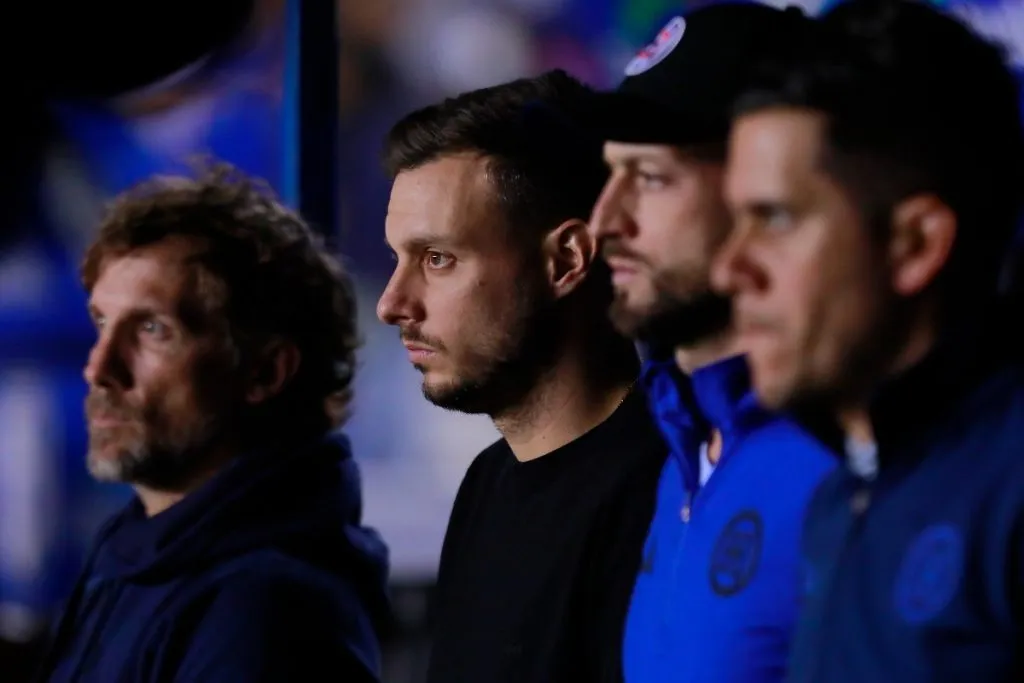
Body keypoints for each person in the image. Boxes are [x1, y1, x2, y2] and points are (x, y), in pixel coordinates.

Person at [711, 1, 1024, 681]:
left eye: (775, 218)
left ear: (914, 245)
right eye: (735, 220)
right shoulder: (840, 493)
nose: (729, 267)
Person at [37, 165, 390, 683]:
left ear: (265, 371)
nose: (99, 368)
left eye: (154, 330)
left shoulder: (263, 612)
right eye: (103, 323)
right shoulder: (142, 546)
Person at [377, 70, 666, 683]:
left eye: (437, 259)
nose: (392, 302)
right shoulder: (488, 482)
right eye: (396, 259)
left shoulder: (662, 492)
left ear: (566, 260)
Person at [586, 4, 836, 682]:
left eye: (653, 176)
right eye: (611, 174)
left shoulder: (850, 456)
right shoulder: (681, 445)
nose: (604, 221)